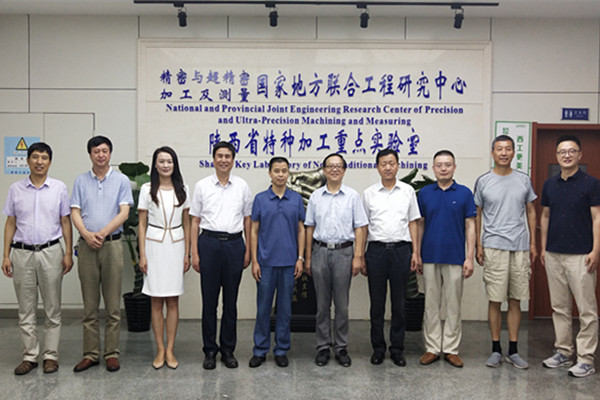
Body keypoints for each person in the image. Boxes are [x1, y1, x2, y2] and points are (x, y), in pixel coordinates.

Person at [1, 142, 73, 375]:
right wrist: (6, 255)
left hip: (51, 252)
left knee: (53, 308)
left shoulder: (59, 188)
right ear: (28, 160)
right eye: (35, 157)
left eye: (44, 157)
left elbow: (65, 221)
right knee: (26, 308)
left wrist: (68, 252)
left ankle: (50, 356)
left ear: (50, 162)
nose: (39, 161)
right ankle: (29, 356)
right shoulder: (16, 189)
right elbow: (10, 222)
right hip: (21, 253)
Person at [71, 135, 133, 373]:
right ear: (90, 154)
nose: (100, 155)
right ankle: (90, 353)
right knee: (89, 306)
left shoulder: (121, 180)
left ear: (110, 154)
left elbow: (124, 212)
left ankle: (111, 353)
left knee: (113, 306)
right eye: (96, 151)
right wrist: (87, 235)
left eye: (105, 151)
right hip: (87, 246)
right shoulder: (80, 180)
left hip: (112, 246)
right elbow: (75, 212)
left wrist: (102, 233)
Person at [474, 134, 537, 370]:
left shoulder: (523, 180)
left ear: (513, 153)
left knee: (515, 300)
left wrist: (532, 243)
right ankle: (495, 349)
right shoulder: (483, 181)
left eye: (508, 149)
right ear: (493, 153)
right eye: (499, 149)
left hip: (519, 247)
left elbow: (531, 211)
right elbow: (477, 214)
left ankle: (513, 350)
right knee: (495, 299)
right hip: (493, 246)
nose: (503, 153)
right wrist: (479, 245)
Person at [540, 135, 600, 378]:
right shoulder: (550, 184)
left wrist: (596, 250)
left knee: (587, 309)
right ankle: (563, 351)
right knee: (559, 307)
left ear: (579, 155)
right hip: (554, 253)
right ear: (556, 156)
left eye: (571, 151)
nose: (566, 155)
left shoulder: (591, 184)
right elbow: (545, 216)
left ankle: (586, 359)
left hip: (582, 255)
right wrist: (543, 247)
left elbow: (597, 218)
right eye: (562, 152)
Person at [190, 141, 252, 370]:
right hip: (209, 244)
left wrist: (248, 250)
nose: (224, 160)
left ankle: (228, 350)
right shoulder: (202, 186)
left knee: (230, 302)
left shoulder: (242, 186)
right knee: (209, 302)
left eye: (228, 156)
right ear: (213, 159)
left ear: (233, 160)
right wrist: (194, 252)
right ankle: (209, 350)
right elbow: (194, 221)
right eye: (220, 156)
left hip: (235, 245)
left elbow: (248, 221)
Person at [305, 153, 368, 367]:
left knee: (342, 306)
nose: (334, 169)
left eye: (338, 166)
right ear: (323, 170)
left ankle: (341, 347)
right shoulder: (315, 196)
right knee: (322, 306)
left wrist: (358, 255)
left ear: (344, 170)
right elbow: (309, 227)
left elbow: (360, 227)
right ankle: (323, 346)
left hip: (344, 253)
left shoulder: (352, 196)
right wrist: (307, 257)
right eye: (330, 166)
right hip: (320, 252)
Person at [415, 150, 477, 368]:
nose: (443, 168)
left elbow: (470, 226)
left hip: (455, 257)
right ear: (433, 168)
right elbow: (419, 224)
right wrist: (417, 253)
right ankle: (432, 347)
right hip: (429, 256)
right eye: (439, 165)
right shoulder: (424, 193)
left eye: (447, 164)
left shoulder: (464, 193)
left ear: (454, 167)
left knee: (453, 305)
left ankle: (451, 349)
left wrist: (469, 257)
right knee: (431, 304)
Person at [362, 149, 420, 367]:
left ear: (398, 165)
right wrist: (361, 255)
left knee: (399, 303)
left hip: (401, 250)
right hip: (376, 251)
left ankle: (397, 349)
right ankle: (378, 348)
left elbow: (413, 222)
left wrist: (415, 252)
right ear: (377, 167)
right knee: (376, 304)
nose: (388, 167)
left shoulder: (407, 191)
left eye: (391, 163)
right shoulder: (369, 193)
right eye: (383, 163)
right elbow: (363, 226)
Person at [248, 156, 305, 369]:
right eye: (277, 171)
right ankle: (260, 349)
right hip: (265, 263)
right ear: (270, 173)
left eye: (284, 171)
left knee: (285, 309)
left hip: (289, 262)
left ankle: (281, 349)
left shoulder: (296, 199)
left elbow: (301, 229)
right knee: (263, 308)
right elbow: (254, 231)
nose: (281, 174)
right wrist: (254, 260)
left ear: (288, 173)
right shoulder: (261, 199)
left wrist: (300, 258)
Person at [138, 146, 190, 370]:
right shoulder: (147, 189)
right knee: (156, 300)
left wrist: (187, 253)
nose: (166, 165)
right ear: (155, 164)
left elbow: (187, 222)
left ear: (174, 164)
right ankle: (160, 349)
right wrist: (142, 254)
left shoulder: (183, 189)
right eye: (161, 161)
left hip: (176, 245)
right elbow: (141, 224)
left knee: (173, 300)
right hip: (154, 246)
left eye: (169, 161)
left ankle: (170, 349)